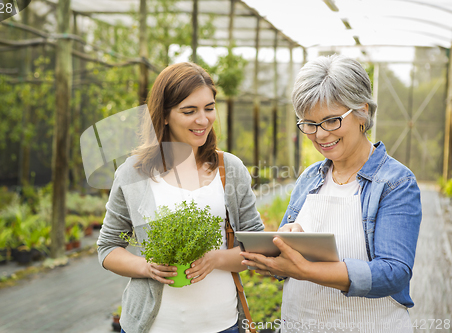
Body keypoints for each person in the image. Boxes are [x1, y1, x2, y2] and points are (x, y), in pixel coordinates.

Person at [241, 55, 422, 333]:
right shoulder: (310, 177)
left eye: (331, 121)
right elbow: (287, 262)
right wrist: (285, 245)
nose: (320, 135)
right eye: (309, 124)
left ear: (362, 111)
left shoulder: (395, 183)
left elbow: (393, 273)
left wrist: (304, 270)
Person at [97, 62, 263, 333]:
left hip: (221, 325)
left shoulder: (229, 169)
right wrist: (146, 267)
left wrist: (215, 259)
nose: (203, 120)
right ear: (163, 116)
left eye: (209, 108)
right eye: (189, 111)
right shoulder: (133, 174)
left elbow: (257, 247)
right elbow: (107, 248)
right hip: (152, 327)